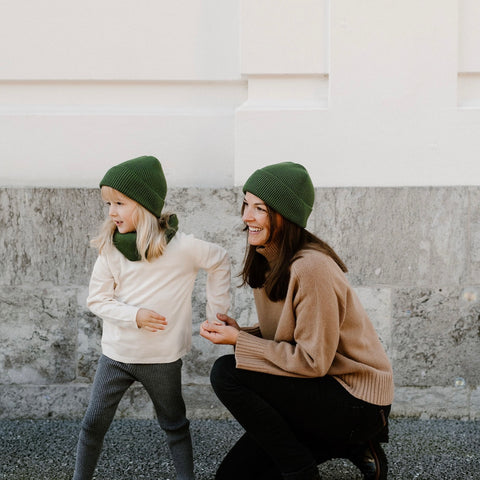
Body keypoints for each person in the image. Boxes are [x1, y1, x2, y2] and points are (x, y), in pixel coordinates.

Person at [200, 162, 394, 480]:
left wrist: (239, 343)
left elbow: (313, 360)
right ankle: (344, 445)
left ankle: (306, 467)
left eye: (259, 208)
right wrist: (240, 332)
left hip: (356, 400)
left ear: (284, 215)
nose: (246, 216)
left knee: (227, 372)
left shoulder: (312, 267)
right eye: (246, 204)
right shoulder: (267, 259)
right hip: (315, 389)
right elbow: (288, 334)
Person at [73, 155, 231, 480]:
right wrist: (135, 316)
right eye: (108, 203)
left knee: (174, 424)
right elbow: (97, 299)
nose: (111, 211)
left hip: (162, 359)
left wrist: (217, 312)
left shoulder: (183, 248)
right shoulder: (111, 249)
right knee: (92, 424)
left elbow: (220, 260)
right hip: (115, 357)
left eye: (119, 202)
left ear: (144, 204)